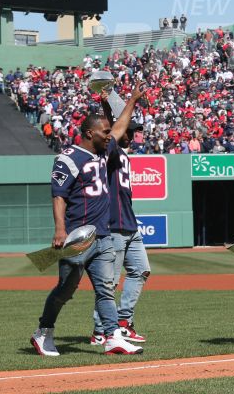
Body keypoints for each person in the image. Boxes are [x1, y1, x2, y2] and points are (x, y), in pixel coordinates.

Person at [30, 111, 143, 357]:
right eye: (104, 132)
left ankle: (112, 337)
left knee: (105, 288)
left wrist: (132, 101)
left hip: (102, 235)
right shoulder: (69, 157)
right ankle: (43, 331)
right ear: (90, 133)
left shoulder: (102, 151)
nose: (109, 136)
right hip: (78, 238)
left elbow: (119, 128)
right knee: (65, 289)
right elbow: (58, 194)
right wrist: (60, 229)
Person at [91, 88, 151, 347]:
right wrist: (130, 101)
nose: (132, 133)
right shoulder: (109, 152)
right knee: (109, 282)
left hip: (130, 225)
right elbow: (115, 128)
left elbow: (116, 126)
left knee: (141, 270)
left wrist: (106, 103)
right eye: (130, 129)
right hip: (113, 225)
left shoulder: (121, 153)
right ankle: (100, 331)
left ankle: (123, 322)